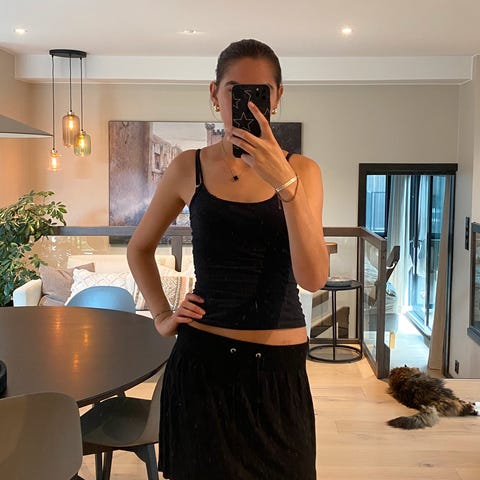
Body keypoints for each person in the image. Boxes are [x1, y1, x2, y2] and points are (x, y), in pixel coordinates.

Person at [127, 38, 329, 480]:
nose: (248, 103)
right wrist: (161, 315)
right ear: (215, 94)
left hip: (278, 373)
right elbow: (138, 248)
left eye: (261, 93)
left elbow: (313, 278)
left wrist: (286, 185)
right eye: (236, 91)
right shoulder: (188, 167)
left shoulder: (304, 171)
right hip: (203, 364)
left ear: (277, 97)